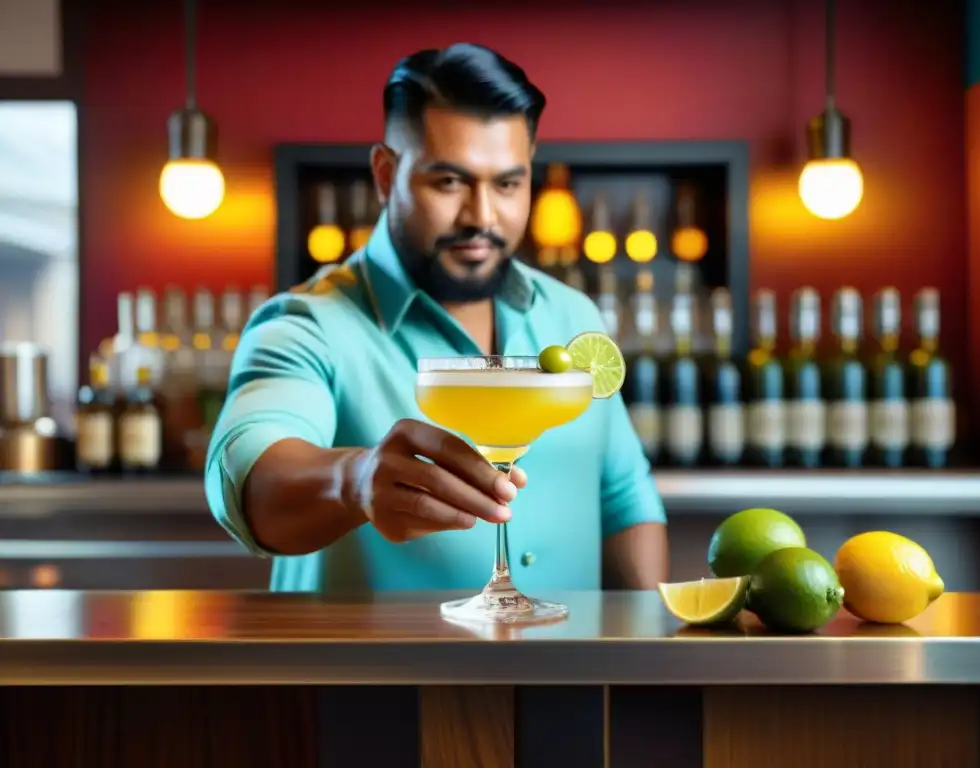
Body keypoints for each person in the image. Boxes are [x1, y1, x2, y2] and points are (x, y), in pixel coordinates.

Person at [205, 42, 669, 593]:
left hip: (567, 674)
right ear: (385, 175)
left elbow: (623, 499)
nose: (482, 217)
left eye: (507, 183)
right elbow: (247, 477)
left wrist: (649, 648)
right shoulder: (306, 325)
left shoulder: (572, 315)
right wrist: (355, 481)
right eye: (448, 182)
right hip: (373, 679)